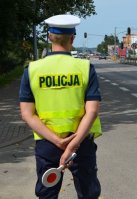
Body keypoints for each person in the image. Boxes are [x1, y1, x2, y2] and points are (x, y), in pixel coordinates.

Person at [19, 14, 102, 199]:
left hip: (47, 143)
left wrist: (57, 142)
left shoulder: (32, 70)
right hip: (81, 142)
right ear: (73, 38)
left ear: (49, 37)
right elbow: (93, 110)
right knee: (88, 193)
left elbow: (27, 114)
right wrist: (73, 144)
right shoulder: (85, 67)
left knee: (47, 194)